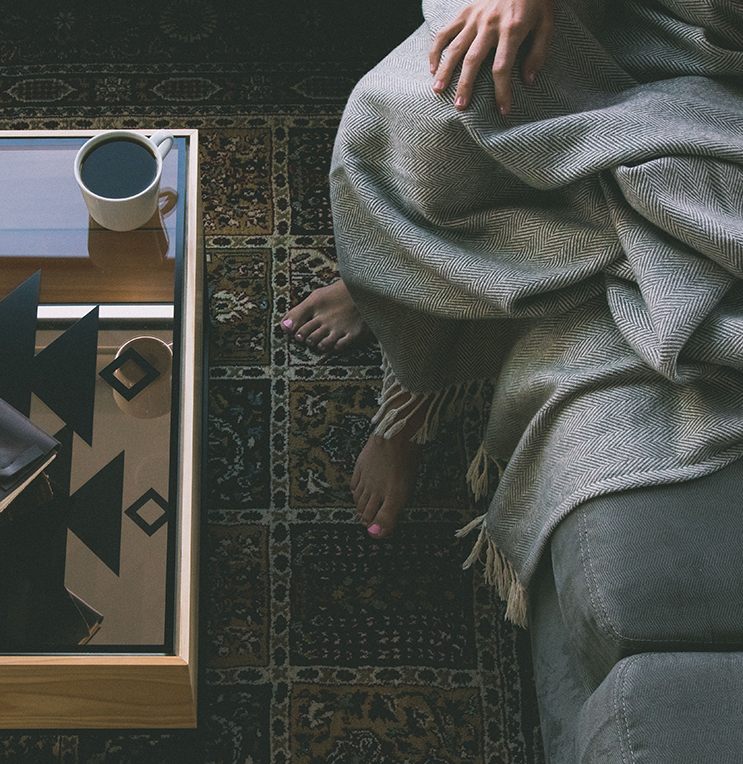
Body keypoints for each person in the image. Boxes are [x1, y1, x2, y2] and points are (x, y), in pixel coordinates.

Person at [279, 0, 743, 611]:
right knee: (411, 112)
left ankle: (410, 360)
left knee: (673, 204)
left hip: (712, 59)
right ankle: (390, 281)